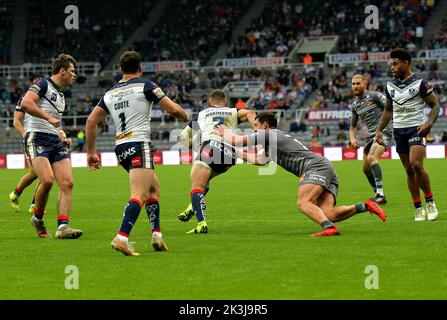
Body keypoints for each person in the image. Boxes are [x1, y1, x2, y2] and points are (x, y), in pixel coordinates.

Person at [86, 51, 190, 256]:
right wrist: (185, 115)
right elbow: (173, 110)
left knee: (153, 188)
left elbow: (90, 122)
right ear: (140, 68)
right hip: (139, 143)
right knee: (140, 194)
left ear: (120, 70)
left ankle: (157, 236)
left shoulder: (110, 93)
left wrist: (91, 153)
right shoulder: (146, 85)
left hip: (121, 148)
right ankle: (121, 237)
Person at [216, 112, 386, 236]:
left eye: (256, 127)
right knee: (326, 213)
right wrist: (236, 153)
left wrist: (225, 133)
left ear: (265, 126)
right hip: (325, 167)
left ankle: (329, 228)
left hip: (315, 167)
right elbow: (260, 160)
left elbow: (236, 140)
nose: (255, 131)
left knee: (303, 203)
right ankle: (365, 206)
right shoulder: (272, 140)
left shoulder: (269, 134)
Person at [176, 89, 256, 234]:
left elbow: (181, 138)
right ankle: (191, 207)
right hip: (230, 154)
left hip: (211, 145)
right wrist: (258, 133)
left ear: (208, 103)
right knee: (204, 182)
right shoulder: (233, 111)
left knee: (196, 186)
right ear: (225, 102)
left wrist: (196, 148)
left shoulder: (201, 115)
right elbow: (250, 113)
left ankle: (201, 224)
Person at [21, 54, 82, 239]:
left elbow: (55, 122)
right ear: (62, 71)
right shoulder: (43, 84)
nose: (74, 75)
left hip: (54, 141)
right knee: (47, 180)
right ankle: (37, 219)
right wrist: (48, 118)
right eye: (72, 71)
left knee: (67, 182)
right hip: (37, 138)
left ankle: (63, 226)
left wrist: (62, 135)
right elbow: (26, 103)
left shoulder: (61, 96)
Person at [375, 48, 440, 221]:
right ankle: (418, 208)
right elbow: (388, 110)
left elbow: (435, 105)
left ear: (406, 63)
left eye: (395, 64)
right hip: (399, 131)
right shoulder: (390, 86)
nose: (392, 67)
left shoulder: (420, 83)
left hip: (416, 129)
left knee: (417, 165)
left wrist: (429, 124)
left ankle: (430, 203)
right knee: (409, 171)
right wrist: (379, 130)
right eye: (391, 64)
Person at [350, 74, 393, 204]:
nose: (355, 86)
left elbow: (391, 107)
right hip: (370, 137)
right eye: (353, 84)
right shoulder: (355, 105)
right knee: (366, 169)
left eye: (358, 83)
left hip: (383, 132)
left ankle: (380, 195)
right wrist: (352, 138)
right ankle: (378, 193)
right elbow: (352, 126)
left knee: (372, 158)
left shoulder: (375, 96)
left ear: (365, 84)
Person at [9, 73, 42, 213]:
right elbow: (16, 120)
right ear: (30, 84)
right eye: (35, 81)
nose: (38, 84)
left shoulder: (47, 100)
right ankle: (23, 197)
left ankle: (29, 201)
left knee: (43, 173)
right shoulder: (24, 100)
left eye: (40, 81)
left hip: (47, 137)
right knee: (38, 173)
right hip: (32, 139)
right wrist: (24, 134)